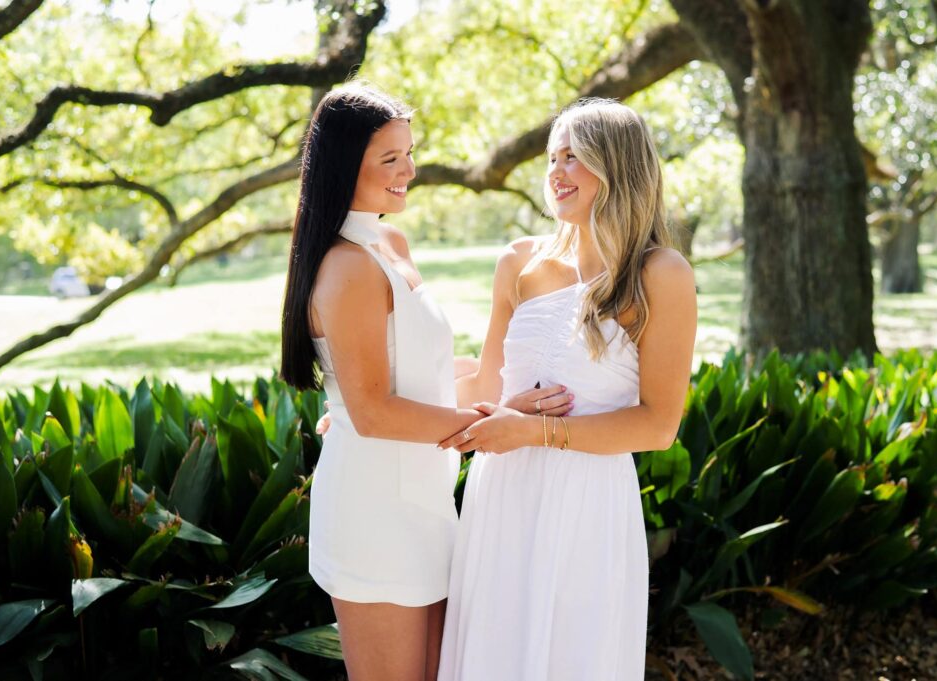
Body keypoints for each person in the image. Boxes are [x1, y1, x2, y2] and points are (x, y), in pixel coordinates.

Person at [279, 83, 570, 681]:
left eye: (409, 152)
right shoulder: (347, 264)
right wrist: (492, 428)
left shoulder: (388, 242)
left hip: (427, 504)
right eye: (389, 158)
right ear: (343, 165)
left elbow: (422, 385)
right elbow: (375, 413)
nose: (408, 170)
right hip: (375, 511)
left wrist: (498, 405)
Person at [436, 99, 697, 680]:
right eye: (552, 157)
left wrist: (533, 430)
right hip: (500, 498)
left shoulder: (660, 275)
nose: (556, 171)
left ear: (619, 167)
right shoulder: (518, 263)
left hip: (588, 505)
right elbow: (482, 387)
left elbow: (658, 425)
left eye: (574, 158)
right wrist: (362, 411)